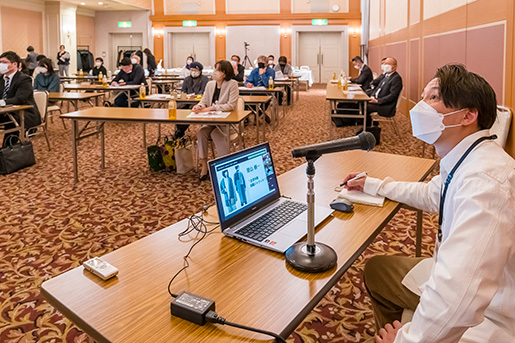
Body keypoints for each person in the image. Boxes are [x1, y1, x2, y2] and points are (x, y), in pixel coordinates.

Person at [341, 64, 515, 343]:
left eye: (432, 98)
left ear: (468, 115)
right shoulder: (469, 157)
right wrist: (373, 185)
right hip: (465, 283)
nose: (420, 106)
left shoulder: (485, 183)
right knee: (377, 271)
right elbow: (433, 194)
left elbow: (461, 294)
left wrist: (406, 340)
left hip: (492, 313)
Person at [195, 60, 238, 181]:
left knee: (216, 134)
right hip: (211, 120)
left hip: (226, 122)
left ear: (224, 73)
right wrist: (199, 106)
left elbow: (231, 105)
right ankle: (204, 165)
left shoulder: (232, 84)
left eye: (217, 70)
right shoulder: (210, 84)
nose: (215, 72)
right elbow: (204, 100)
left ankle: (224, 166)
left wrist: (213, 107)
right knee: (202, 132)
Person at [0, 51, 41, 147]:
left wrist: (2, 102)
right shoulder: (1, 79)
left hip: (23, 112)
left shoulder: (24, 79)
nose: (1, 65)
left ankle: (7, 151)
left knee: (11, 122)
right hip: (5, 111)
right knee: (8, 119)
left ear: (14, 64)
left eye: (4, 62)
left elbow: (19, 98)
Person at [174, 61, 209, 138]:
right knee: (180, 109)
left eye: (195, 70)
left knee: (189, 111)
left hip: (197, 102)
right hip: (186, 101)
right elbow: (183, 90)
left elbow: (203, 91)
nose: (193, 72)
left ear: (199, 71)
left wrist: (196, 96)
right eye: (191, 70)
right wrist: (186, 95)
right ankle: (179, 130)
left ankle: (180, 131)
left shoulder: (204, 79)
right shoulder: (187, 79)